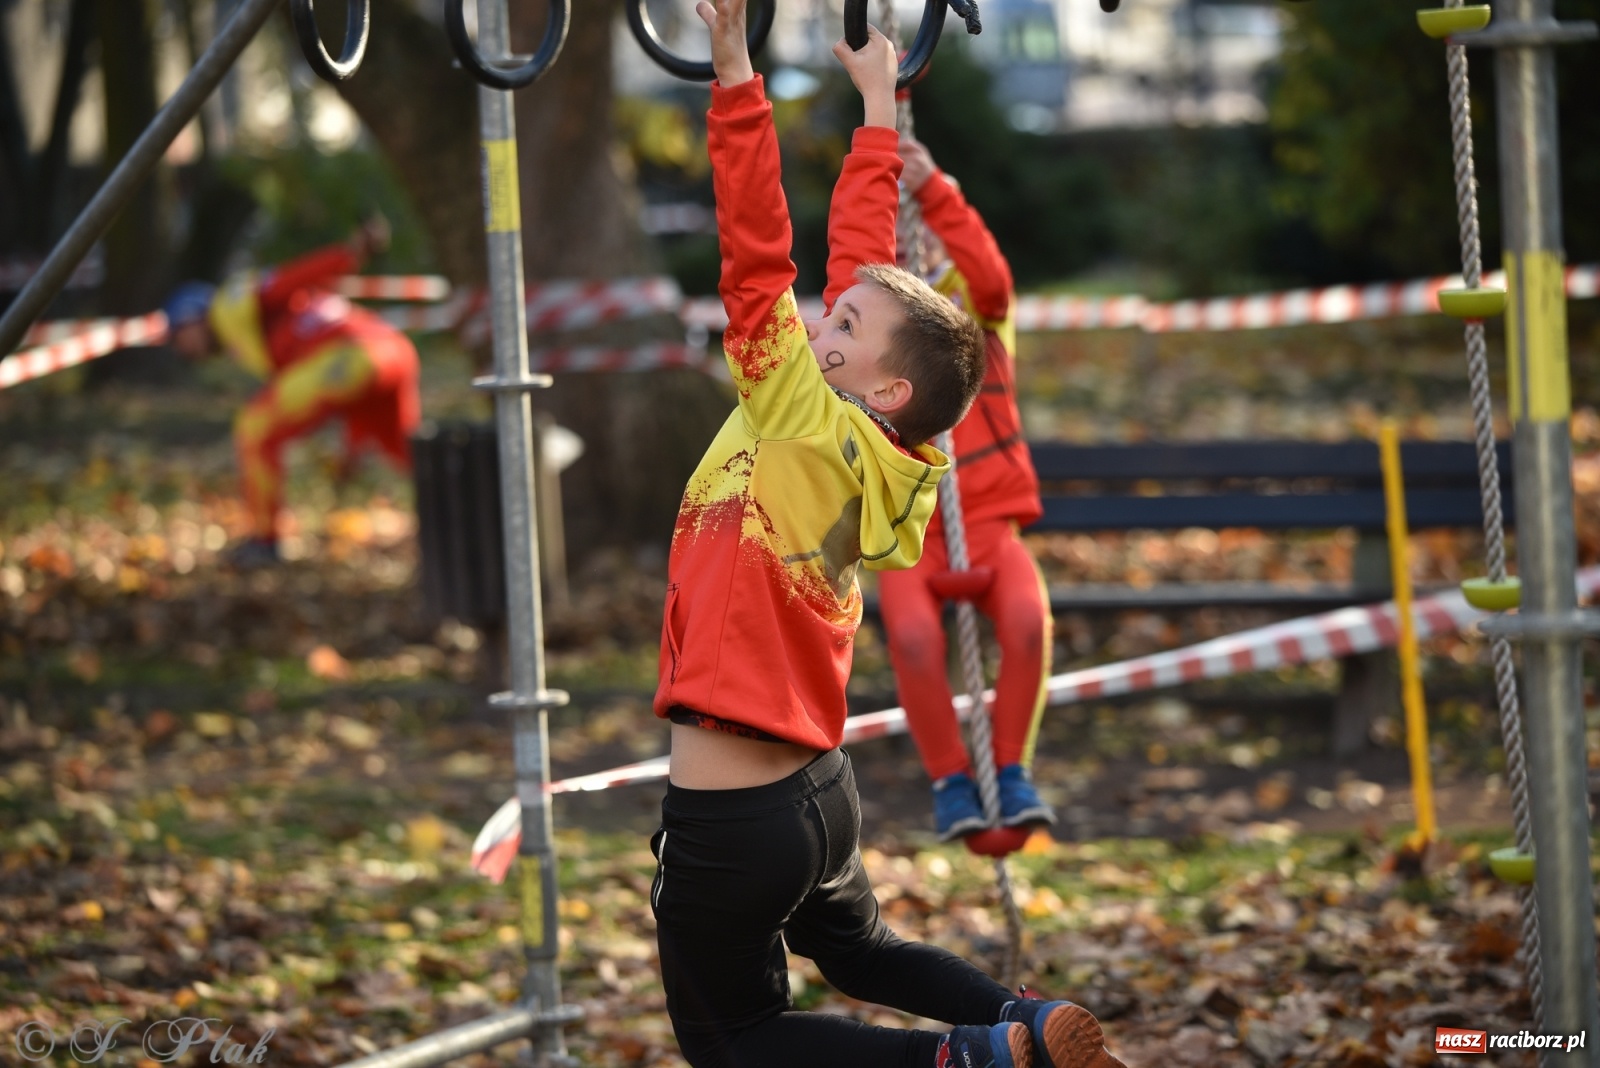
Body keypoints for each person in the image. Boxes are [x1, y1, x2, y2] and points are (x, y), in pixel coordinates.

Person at [646, 2, 1126, 1066]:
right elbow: (862, 262)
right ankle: (1024, 1023)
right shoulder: (886, 439)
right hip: (814, 797)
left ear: (884, 383)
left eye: (844, 327)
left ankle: (964, 1061)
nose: (825, 320)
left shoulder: (790, 406)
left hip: (732, 812)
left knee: (732, 1038)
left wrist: (734, 73)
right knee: (861, 952)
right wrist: (874, 105)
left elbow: (752, 251)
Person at [877, 135, 1056, 842]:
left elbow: (987, 276)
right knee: (915, 639)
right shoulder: (886, 361)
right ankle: (952, 780)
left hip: (986, 526)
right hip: (912, 537)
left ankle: (1011, 773)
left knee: (1028, 623)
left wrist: (934, 191)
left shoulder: (985, 326)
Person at [164, 219, 421, 567]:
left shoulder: (230, 305)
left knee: (255, 427)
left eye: (179, 337)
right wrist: (353, 447)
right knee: (410, 454)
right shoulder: (251, 331)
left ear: (191, 319)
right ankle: (472, 509)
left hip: (352, 356)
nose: (184, 350)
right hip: (391, 350)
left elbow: (290, 279)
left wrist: (349, 254)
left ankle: (264, 541)